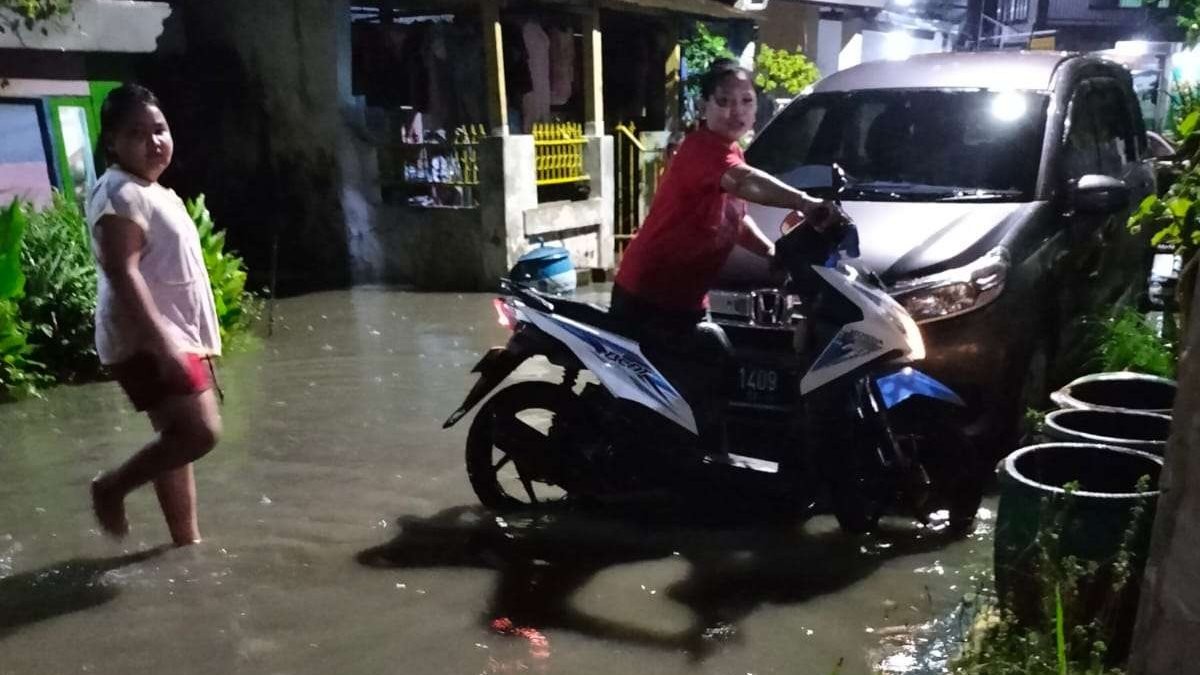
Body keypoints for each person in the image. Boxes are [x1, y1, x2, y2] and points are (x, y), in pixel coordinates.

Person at [612, 58, 841, 337]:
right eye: (723, 101)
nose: (736, 111)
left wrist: (771, 254)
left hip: (688, 298)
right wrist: (804, 203)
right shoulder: (700, 149)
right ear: (704, 106)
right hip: (648, 296)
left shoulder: (732, 150)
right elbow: (743, 181)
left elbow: (735, 221)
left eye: (746, 101)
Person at [86, 84, 222, 546]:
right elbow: (122, 273)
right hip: (149, 339)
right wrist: (164, 344)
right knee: (200, 433)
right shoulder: (120, 194)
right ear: (112, 142)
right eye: (137, 133)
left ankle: (186, 543)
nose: (154, 141)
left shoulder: (150, 190)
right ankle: (111, 488)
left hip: (174, 336)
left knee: (175, 440)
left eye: (160, 130)